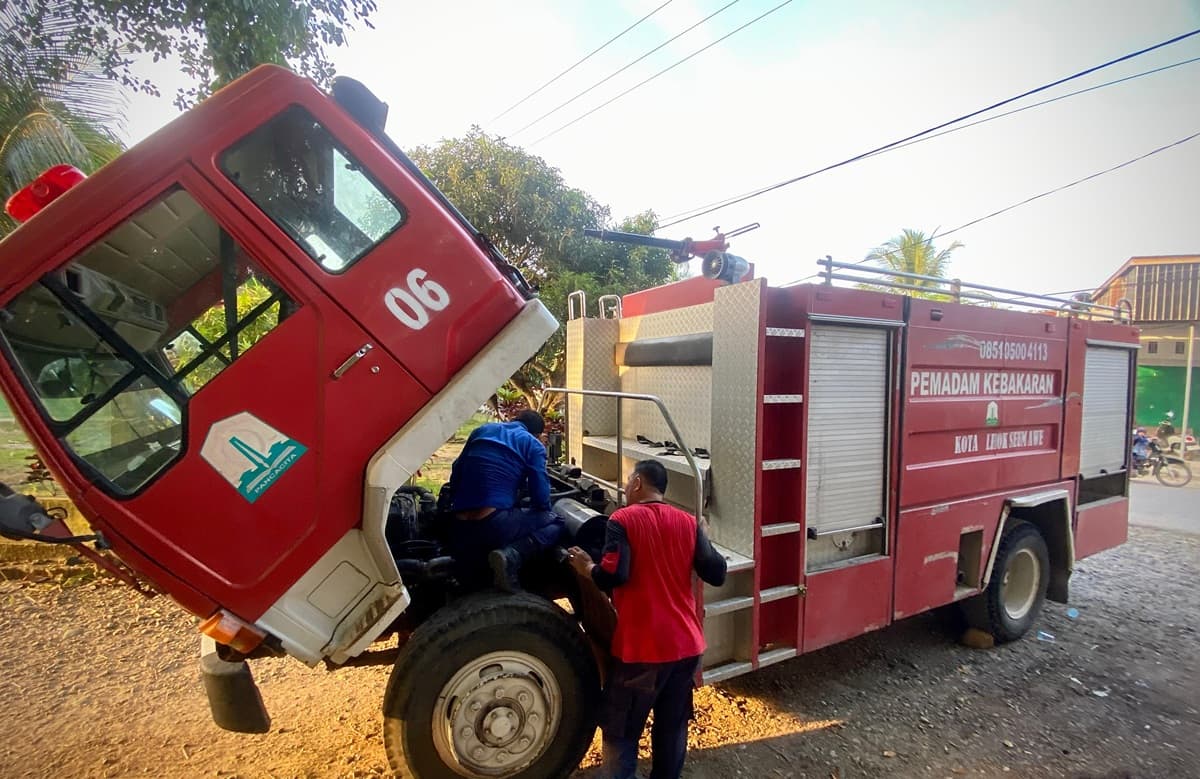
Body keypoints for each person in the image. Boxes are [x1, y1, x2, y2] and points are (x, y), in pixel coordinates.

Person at [568, 460, 727, 779]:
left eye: (629, 480)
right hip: (687, 647)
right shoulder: (688, 522)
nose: (627, 486)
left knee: (622, 729)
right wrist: (703, 537)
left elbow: (615, 574)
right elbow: (716, 573)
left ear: (638, 483)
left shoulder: (622, 519)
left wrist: (587, 568)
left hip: (643, 650)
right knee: (672, 725)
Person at [445, 410, 564, 592]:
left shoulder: (481, 431)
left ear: (515, 420)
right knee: (556, 521)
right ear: (537, 434)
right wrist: (541, 511)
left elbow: (456, 469)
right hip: (493, 524)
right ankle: (511, 556)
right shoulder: (532, 444)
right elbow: (540, 497)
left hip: (460, 524)